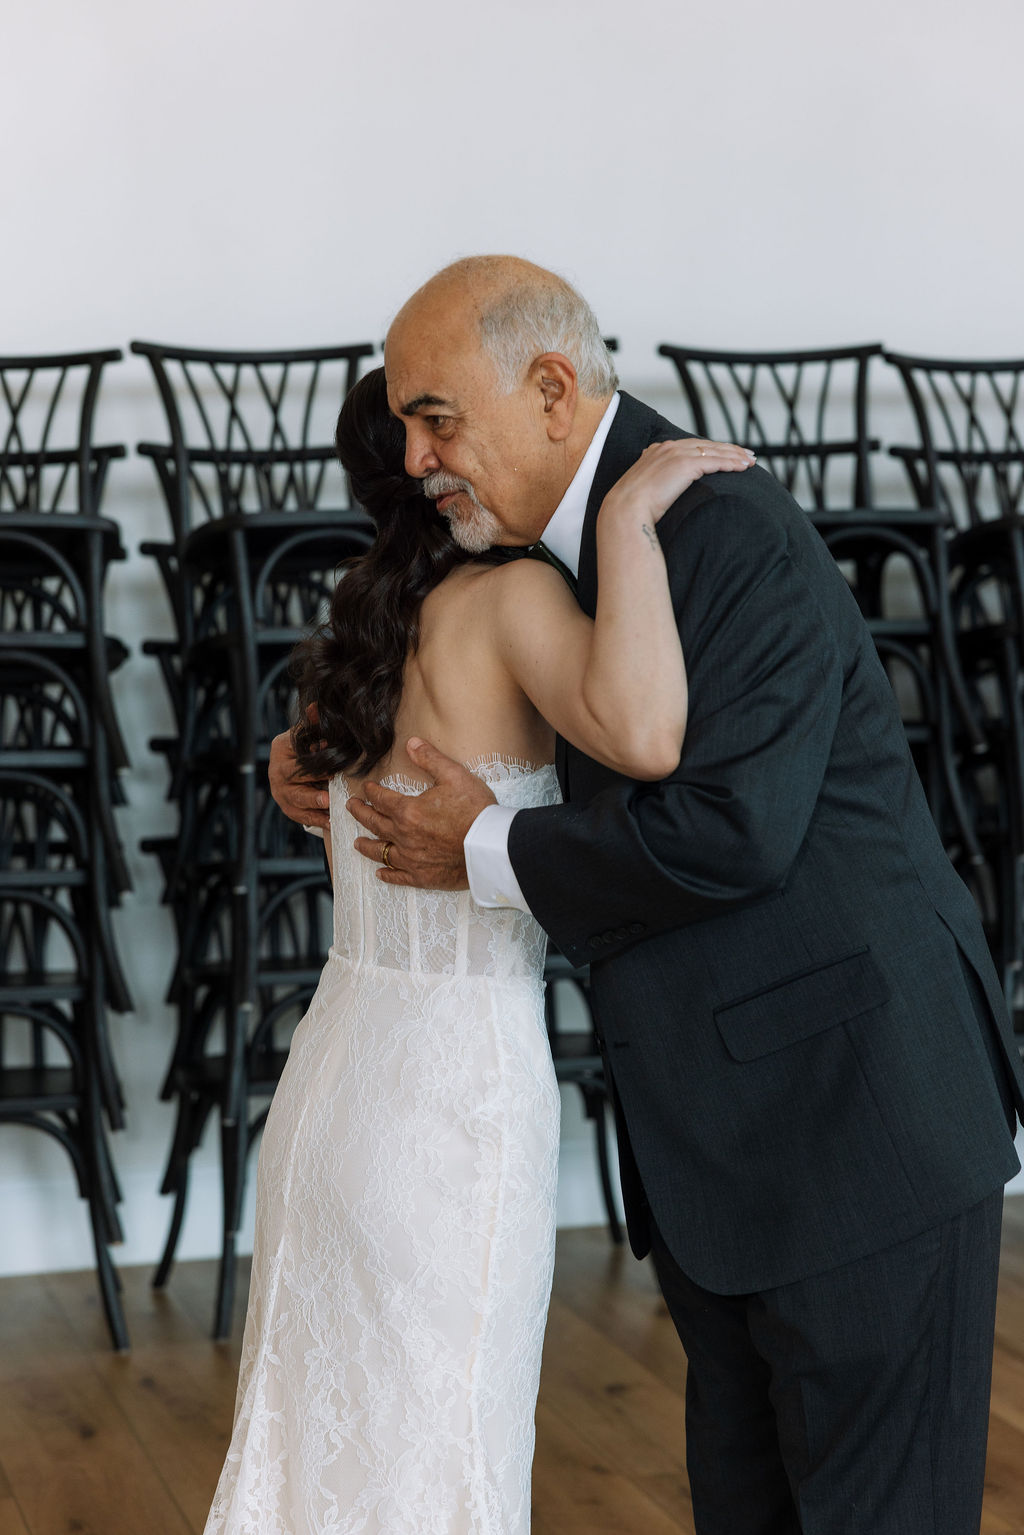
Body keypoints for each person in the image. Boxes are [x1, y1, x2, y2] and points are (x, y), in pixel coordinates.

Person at [271, 256, 1024, 1535]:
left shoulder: (718, 523)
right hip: (719, 1142)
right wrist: (327, 760)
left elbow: (732, 831)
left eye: (435, 416)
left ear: (552, 389)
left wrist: (485, 847)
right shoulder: (526, 555)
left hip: (857, 1117)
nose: (410, 456)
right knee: (744, 1504)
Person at [207, 363, 752, 1535]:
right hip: (453, 1096)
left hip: (335, 1079)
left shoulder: (357, 626)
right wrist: (625, 519)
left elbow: (321, 759)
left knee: (313, 1448)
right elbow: (649, 735)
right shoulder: (508, 604)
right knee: (449, 1450)